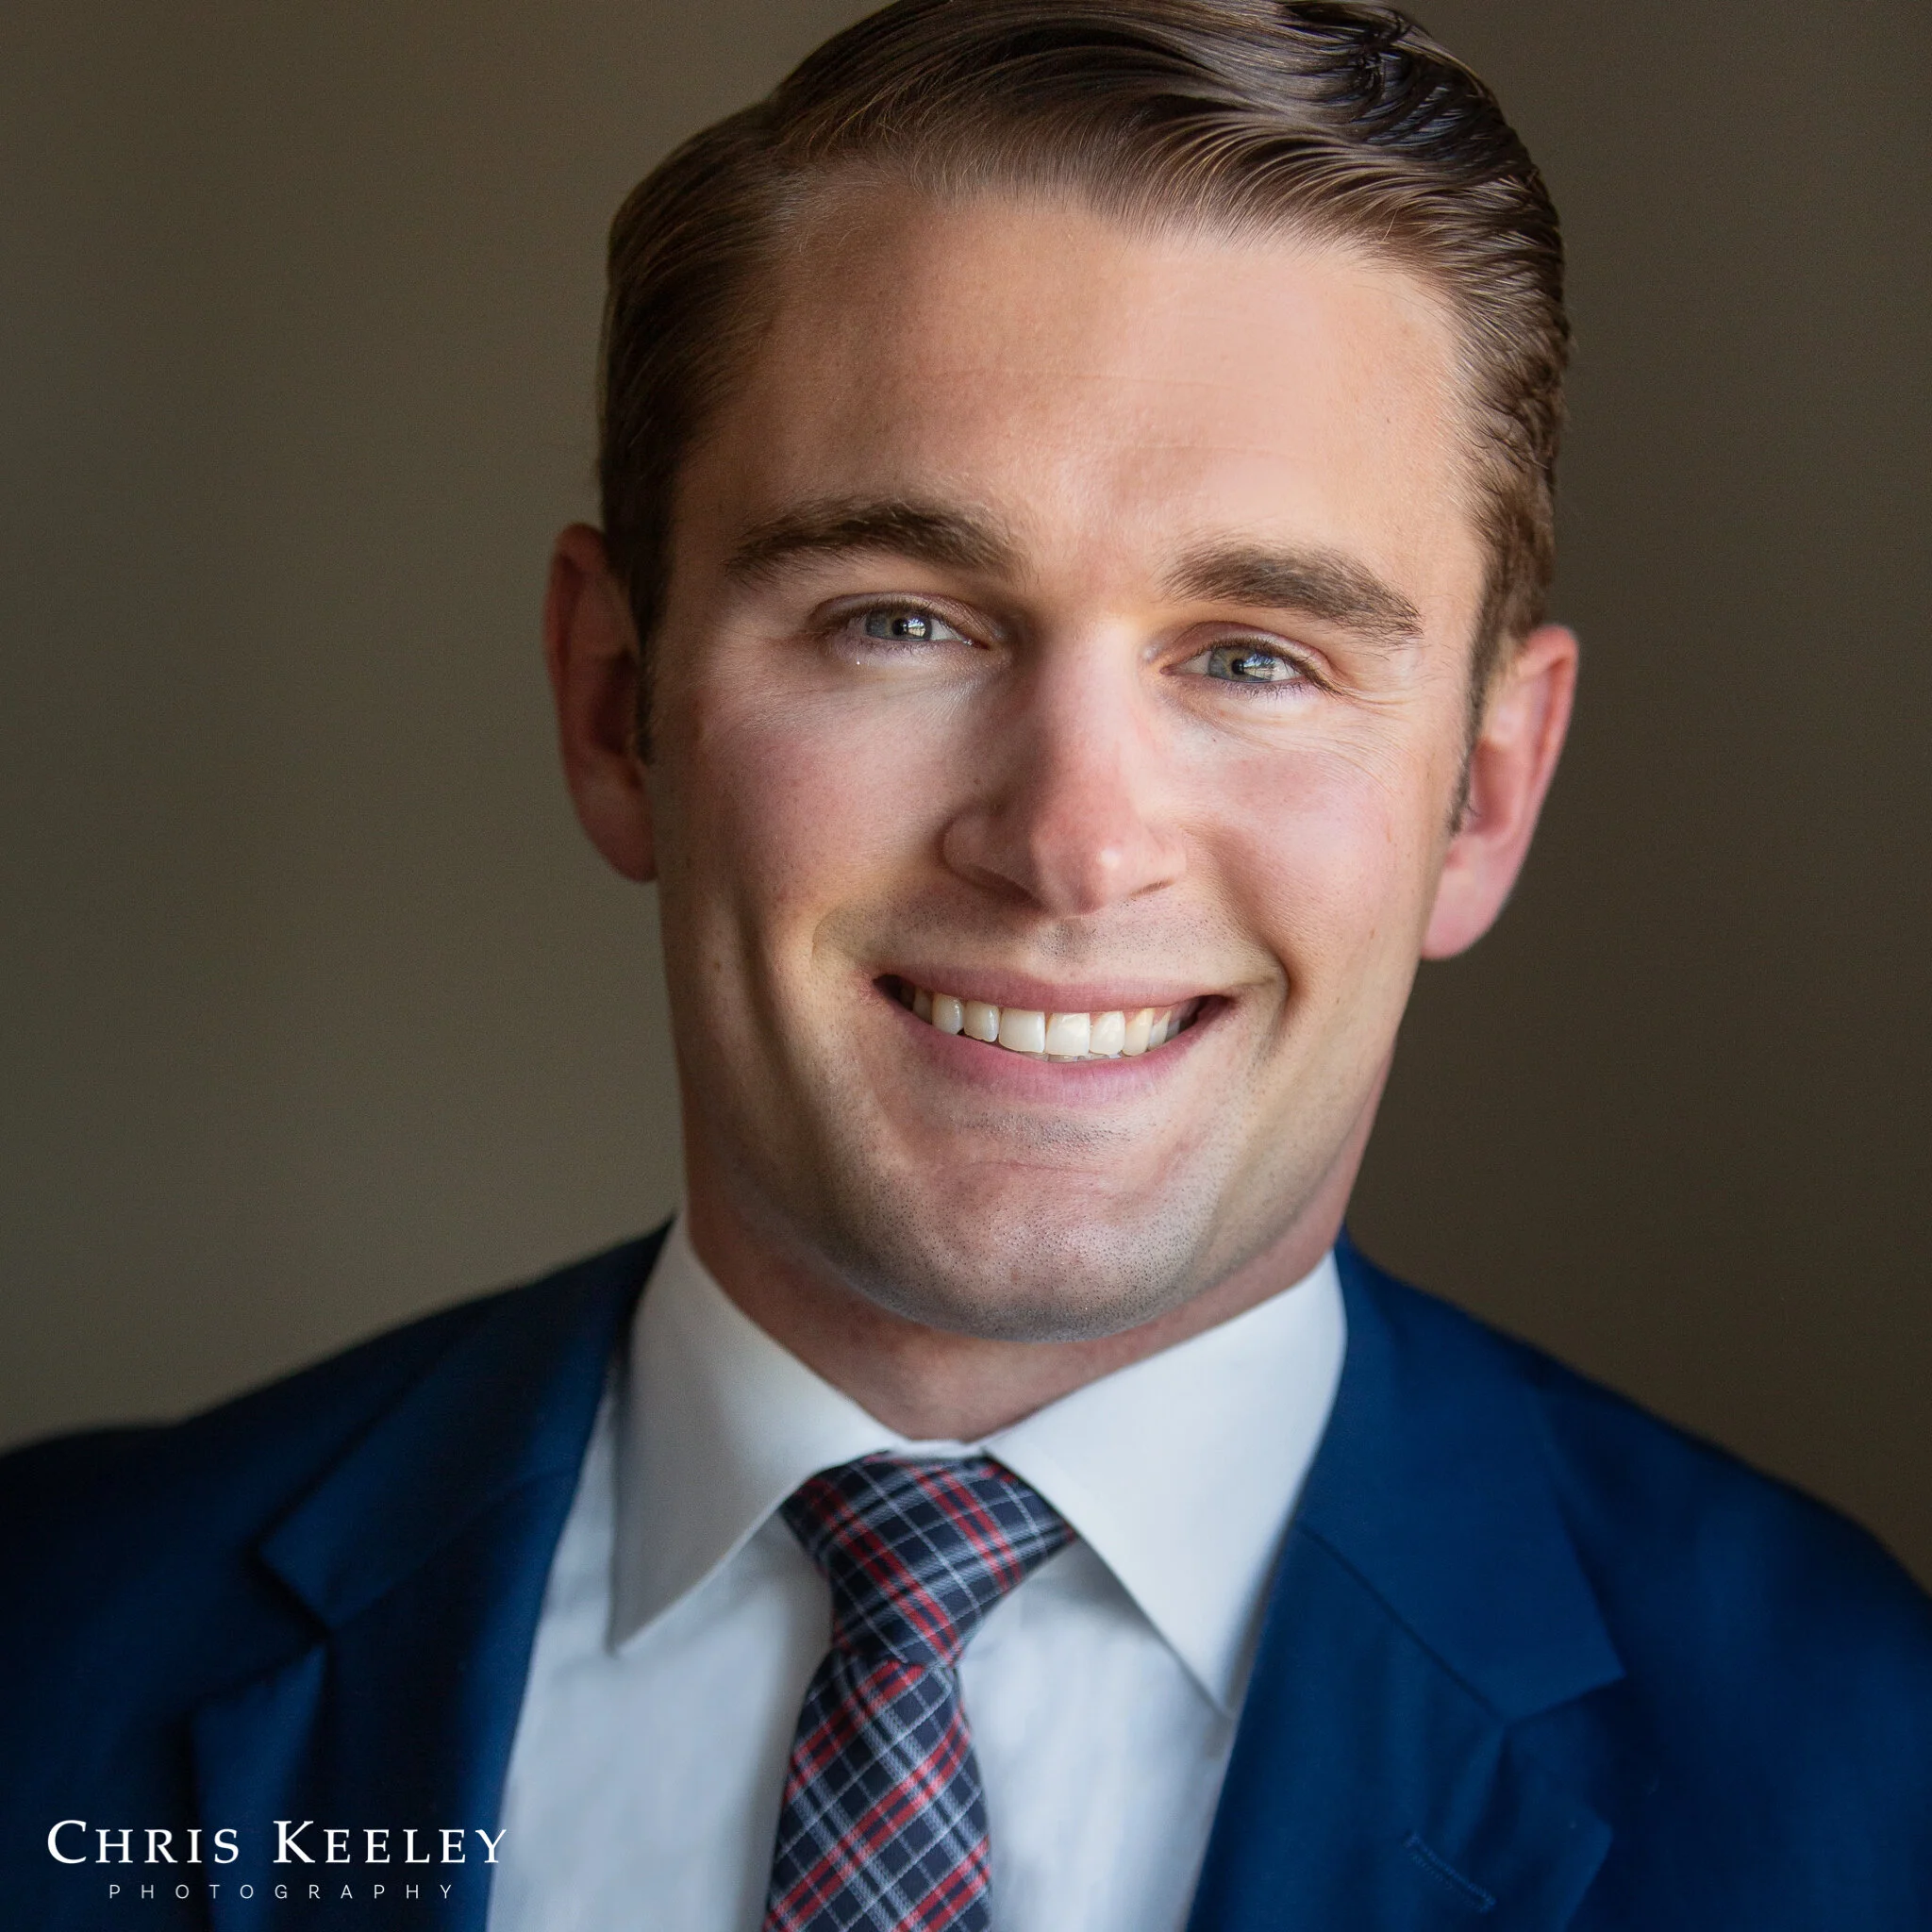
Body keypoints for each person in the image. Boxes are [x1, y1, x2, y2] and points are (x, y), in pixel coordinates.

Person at [5, 2, 1929, 1926]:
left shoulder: (1863, 1770)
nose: (1072, 843)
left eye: (1254, 651)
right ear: (615, 706)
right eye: (900, 619)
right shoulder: (48, 1651)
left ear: (1484, 793)